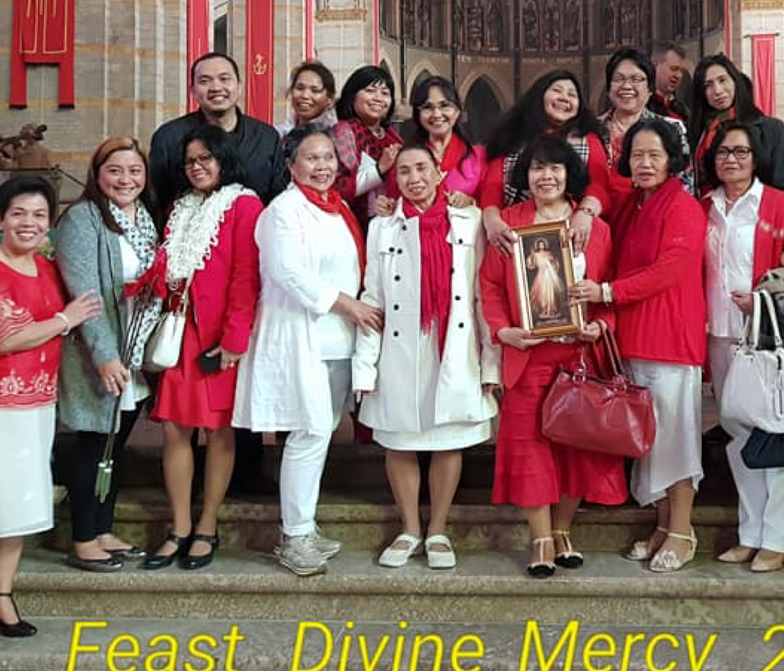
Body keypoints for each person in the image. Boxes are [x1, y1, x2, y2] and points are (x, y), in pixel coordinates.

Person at [0, 173, 103, 654]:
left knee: (18, 503)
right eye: (18, 213)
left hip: (36, 402)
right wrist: (65, 320)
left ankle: (1, 596)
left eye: (39, 215)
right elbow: (1, 339)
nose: (29, 223)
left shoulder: (48, 269)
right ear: (0, 218)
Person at [233, 129, 382, 575]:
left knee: (320, 432)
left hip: (338, 337)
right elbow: (288, 273)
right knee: (310, 432)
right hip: (302, 334)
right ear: (291, 166)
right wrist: (347, 304)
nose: (322, 166)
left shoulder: (335, 208)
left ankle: (305, 524)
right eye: (311, 159)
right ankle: (294, 536)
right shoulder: (283, 211)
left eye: (328, 157)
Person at [479, 137, 628, 576]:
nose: (546, 176)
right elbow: (489, 285)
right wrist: (503, 330)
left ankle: (563, 529)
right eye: (537, 168)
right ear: (525, 177)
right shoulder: (509, 225)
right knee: (530, 449)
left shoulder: (595, 229)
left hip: (579, 359)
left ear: (569, 175)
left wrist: (601, 325)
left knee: (575, 450)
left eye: (556, 168)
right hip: (529, 356)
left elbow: (610, 292)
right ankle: (540, 538)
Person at [571, 114, 706, 571]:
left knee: (675, 439)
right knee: (649, 438)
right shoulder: (635, 204)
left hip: (671, 336)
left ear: (673, 160)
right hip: (635, 336)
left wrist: (607, 293)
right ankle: (662, 529)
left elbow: (670, 269)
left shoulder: (683, 206)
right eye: (637, 155)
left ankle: (683, 532)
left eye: (654, 154)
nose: (645, 163)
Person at [353, 140, 497, 567]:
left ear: (439, 173)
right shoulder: (382, 226)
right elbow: (372, 298)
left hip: (453, 343)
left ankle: (437, 529)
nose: (414, 179)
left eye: (421, 169)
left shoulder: (468, 221)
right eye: (404, 172)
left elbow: (481, 296)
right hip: (400, 346)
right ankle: (409, 528)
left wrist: (491, 363)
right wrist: (365, 368)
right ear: (394, 181)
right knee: (399, 439)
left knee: (447, 439)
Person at [138, 125, 261, 573]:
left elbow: (247, 276)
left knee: (219, 431)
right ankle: (179, 526)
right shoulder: (178, 208)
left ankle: (208, 524)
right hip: (179, 328)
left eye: (206, 158)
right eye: (191, 160)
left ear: (224, 159)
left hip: (217, 335)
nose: (198, 167)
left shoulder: (245, 205)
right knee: (174, 428)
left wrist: (234, 339)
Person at [703, 121, 784, 572]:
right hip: (719, 334)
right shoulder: (705, 207)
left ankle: (779, 536)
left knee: (774, 433)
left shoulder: (777, 202)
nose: (731, 160)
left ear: (756, 158)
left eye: (741, 152)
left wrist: (767, 293)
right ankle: (750, 533)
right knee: (738, 437)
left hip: (765, 335)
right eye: (723, 153)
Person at [53, 137, 160, 570]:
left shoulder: (145, 219)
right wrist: (104, 354)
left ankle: (103, 528)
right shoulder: (83, 219)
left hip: (133, 347)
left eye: (135, 171)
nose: (126, 179)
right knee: (91, 443)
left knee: (114, 445)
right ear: (97, 174)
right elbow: (87, 293)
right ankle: (82, 538)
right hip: (96, 351)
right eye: (115, 170)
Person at [476, 67, 606, 247]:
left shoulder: (588, 140)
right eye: (557, 91)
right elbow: (493, 185)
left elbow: (599, 186)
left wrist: (585, 214)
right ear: (539, 96)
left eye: (572, 95)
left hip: (571, 226)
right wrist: (492, 221)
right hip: (515, 227)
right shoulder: (511, 136)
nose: (564, 98)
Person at [148, 52, 288, 215]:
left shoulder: (266, 138)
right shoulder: (168, 137)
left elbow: (278, 199)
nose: (216, 87)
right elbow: (157, 199)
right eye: (204, 81)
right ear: (192, 90)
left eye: (224, 79)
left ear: (239, 86)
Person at [589, 48, 688, 220]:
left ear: (650, 89)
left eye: (636, 79)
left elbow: (685, 185)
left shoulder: (671, 128)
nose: (627, 86)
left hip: (651, 220)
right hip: (597, 224)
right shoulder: (591, 129)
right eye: (618, 79)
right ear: (609, 87)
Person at [687, 55, 784, 197]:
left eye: (722, 80)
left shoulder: (771, 129)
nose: (718, 91)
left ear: (735, 81)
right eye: (708, 85)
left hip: (757, 214)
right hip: (706, 212)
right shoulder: (699, 131)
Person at [331, 63, 401, 221]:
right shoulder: (344, 131)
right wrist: (380, 168)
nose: (378, 98)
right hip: (356, 222)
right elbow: (340, 189)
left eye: (385, 93)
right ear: (352, 96)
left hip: (391, 223)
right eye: (370, 91)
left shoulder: (393, 137)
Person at [400, 73, 484, 199]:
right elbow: (395, 199)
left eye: (445, 106)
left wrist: (470, 202)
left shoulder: (479, 157)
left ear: (457, 112)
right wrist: (386, 205)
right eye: (427, 107)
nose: (437, 114)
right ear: (418, 115)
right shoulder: (405, 157)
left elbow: (490, 205)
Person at [280, 60, 340, 161]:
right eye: (299, 88)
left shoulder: (338, 135)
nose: (305, 96)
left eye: (315, 90)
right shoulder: (280, 134)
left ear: (329, 99)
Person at [651, 43, 692, 116]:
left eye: (682, 71)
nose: (678, 75)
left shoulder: (684, 112)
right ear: (655, 66)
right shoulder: (639, 108)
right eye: (674, 69)